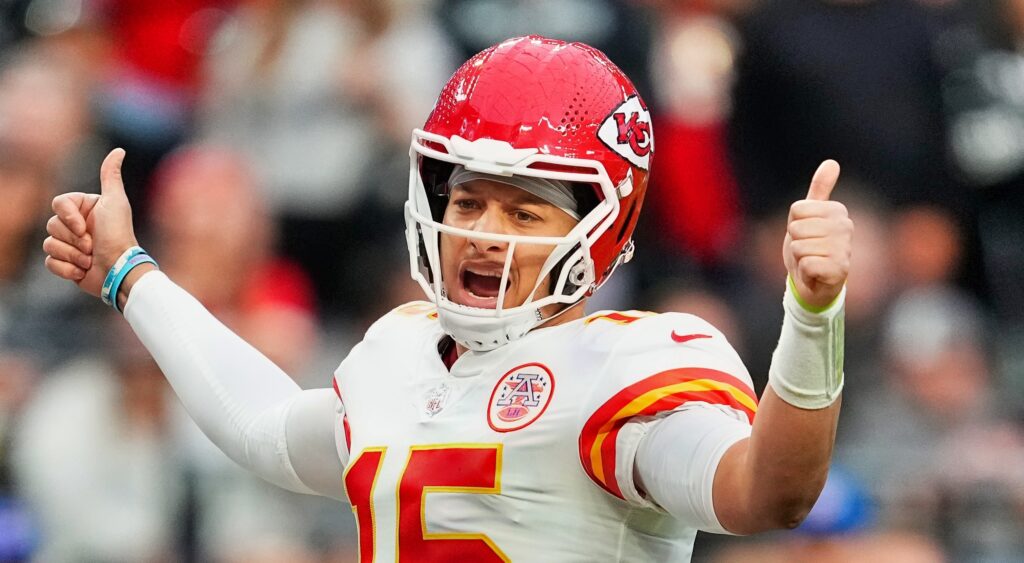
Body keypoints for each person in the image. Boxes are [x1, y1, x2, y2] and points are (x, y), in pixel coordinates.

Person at [42, 36, 853, 561]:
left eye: (524, 210)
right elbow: (264, 430)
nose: (485, 233)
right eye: (468, 202)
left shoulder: (624, 367)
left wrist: (812, 318)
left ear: (601, 230)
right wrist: (129, 274)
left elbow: (764, 492)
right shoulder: (399, 353)